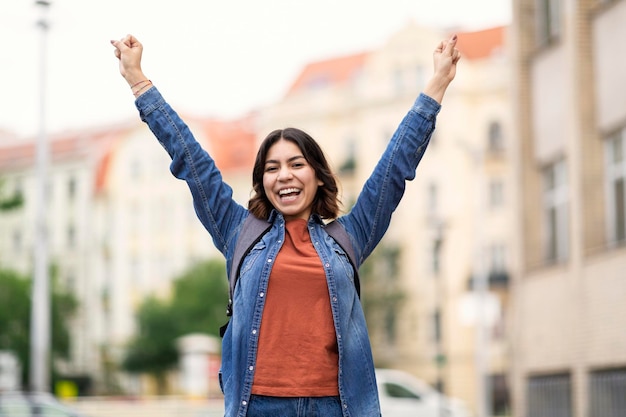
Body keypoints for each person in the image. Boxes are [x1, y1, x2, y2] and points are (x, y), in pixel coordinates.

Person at [111, 32, 460, 417]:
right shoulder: (237, 231)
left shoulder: (349, 237)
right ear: (262, 181)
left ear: (318, 175)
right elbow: (191, 160)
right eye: (272, 168)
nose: (284, 176)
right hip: (258, 406)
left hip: (335, 407)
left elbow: (395, 167)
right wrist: (138, 81)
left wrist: (437, 84)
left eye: (296, 164)